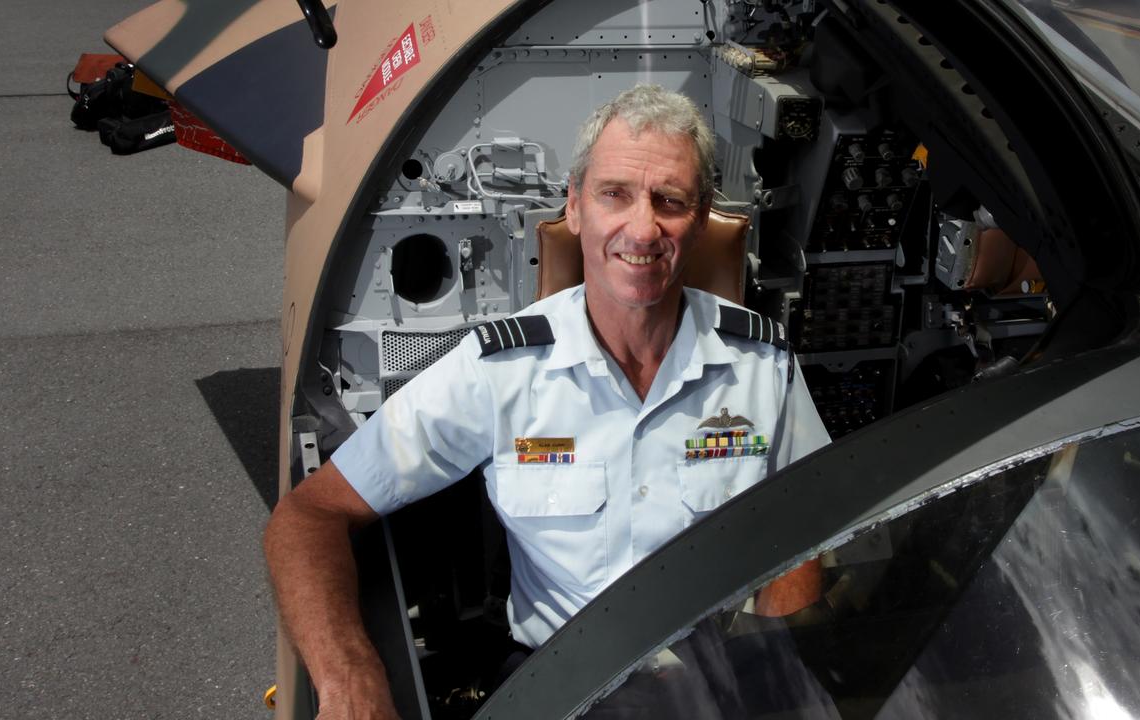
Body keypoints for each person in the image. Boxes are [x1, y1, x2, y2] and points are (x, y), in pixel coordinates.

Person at [263, 84, 831, 719]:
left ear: (700, 220)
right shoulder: (501, 369)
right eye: (615, 194)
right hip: (566, 689)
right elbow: (310, 517)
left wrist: (781, 665)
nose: (642, 228)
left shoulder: (761, 364)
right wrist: (349, 681)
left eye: (669, 201)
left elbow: (815, 524)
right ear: (576, 206)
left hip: (724, 683)